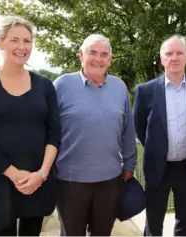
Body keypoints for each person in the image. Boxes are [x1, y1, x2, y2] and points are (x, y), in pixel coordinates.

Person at [0, 15, 60, 236]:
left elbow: (54, 133)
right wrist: (15, 175)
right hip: (0, 182)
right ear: (0, 43)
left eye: (27, 41)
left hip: (37, 181)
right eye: (14, 40)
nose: (22, 47)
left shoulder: (44, 85)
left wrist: (41, 175)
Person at [53, 34, 137, 236]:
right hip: (69, 180)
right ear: (80, 54)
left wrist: (130, 164)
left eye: (104, 54)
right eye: (92, 52)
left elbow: (128, 129)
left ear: (110, 59)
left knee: (102, 233)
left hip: (110, 180)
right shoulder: (61, 85)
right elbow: (49, 132)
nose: (98, 59)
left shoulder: (119, 87)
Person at [133, 35, 186, 236]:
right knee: (153, 222)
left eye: (179, 53)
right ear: (161, 59)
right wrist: (157, 146)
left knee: (185, 222)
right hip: (158, 167)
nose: (174, 58)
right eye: (169, 53)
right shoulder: (145, 90)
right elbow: (140, 128)